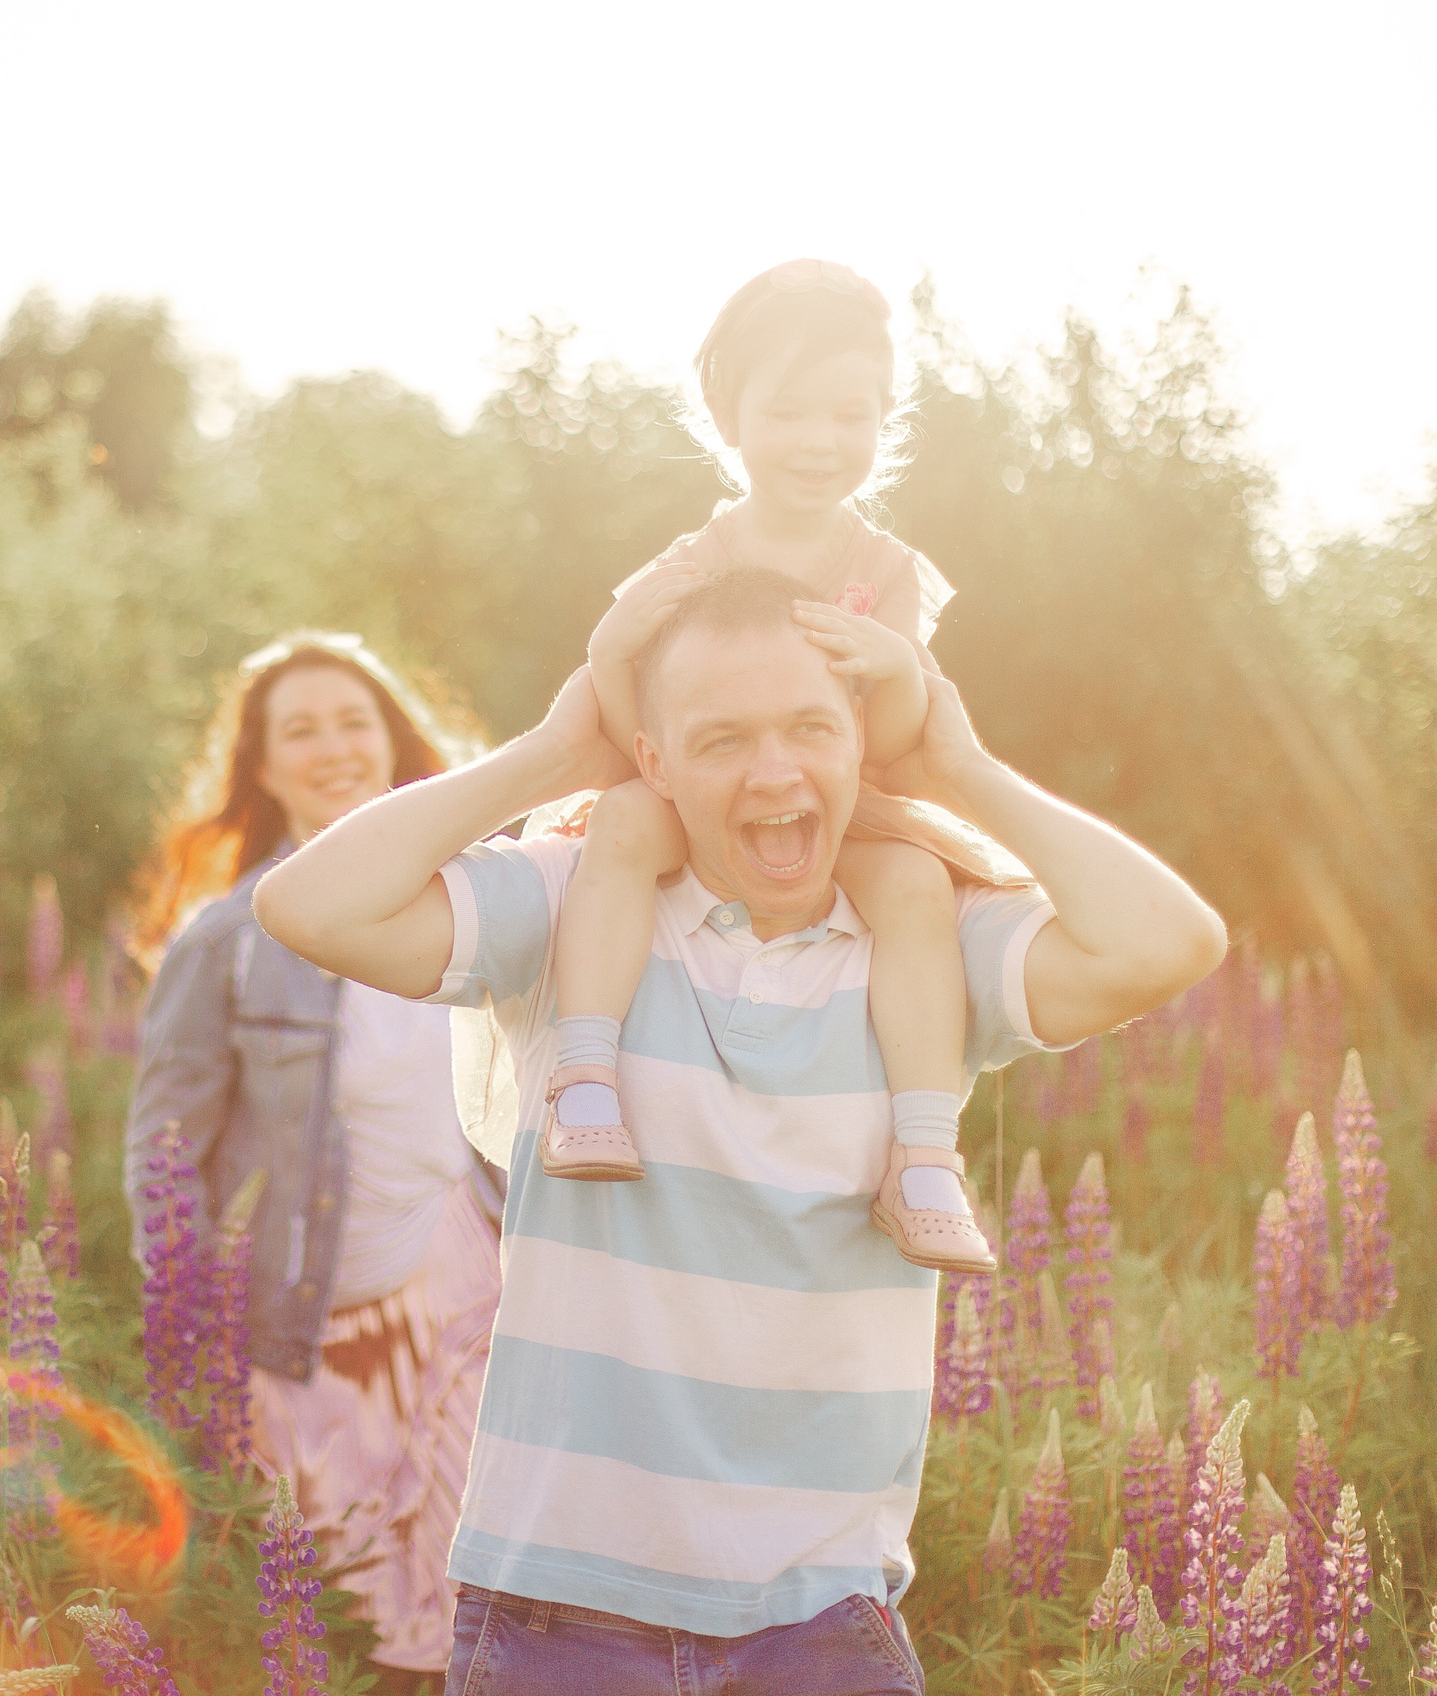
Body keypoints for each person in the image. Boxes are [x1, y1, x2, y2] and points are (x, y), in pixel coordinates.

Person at [253, 569, 1226, 1692]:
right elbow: (309, 905)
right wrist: (552, 757)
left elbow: (1168, 943)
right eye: (718, 741)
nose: (775, 773)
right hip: (554, 1617)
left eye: (812, 728)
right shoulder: (575, 909)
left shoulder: (922, 945)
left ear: (860, 744)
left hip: (816, 1624)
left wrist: (958, 768)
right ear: (655, 763)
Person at [540, 260, 1001, 1280]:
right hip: (701, 800)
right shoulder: (690, 562)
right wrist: (616, 650)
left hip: (846, 811)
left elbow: (889, 745)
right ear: (728, 416)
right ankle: (585, 1078)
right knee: (620, 824)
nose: (821, 441)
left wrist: (897, 671)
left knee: (918, 885)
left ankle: (923, 1155)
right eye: (788, 412)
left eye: (853, 414)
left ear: (887, 421)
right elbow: (636, 733)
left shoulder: (882, 571)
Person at [123, 632, 500, 1682]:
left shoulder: (475, 895)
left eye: (352, 721)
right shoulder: (228, 939)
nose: (333, 747)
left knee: (482, 1604)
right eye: (300, 730)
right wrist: (190, 1338)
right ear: (260, 768)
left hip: (469, 1291)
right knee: (348, 1627)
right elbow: (162, 1157)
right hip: (306, 1333)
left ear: (393, 740)